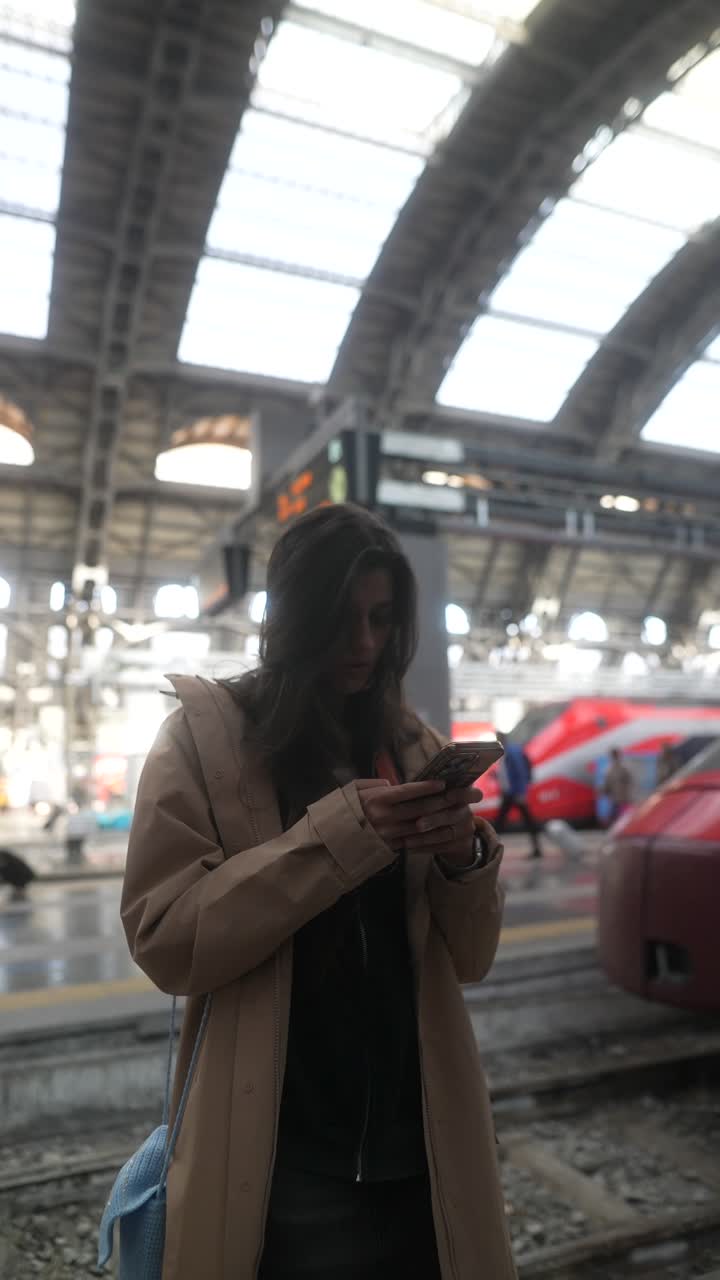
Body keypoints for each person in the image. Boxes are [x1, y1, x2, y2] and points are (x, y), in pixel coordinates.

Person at [120, 503, 517, 1280]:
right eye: (341, 620)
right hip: (286, 1170)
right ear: (293, 618)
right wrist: (334, 840)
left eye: (381, 618)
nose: (364, 645)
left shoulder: (414, 746)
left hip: (425, 1156)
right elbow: (166, 939)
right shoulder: (202, 741)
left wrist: (463, 858)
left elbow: (470, 960)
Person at [493, 734, 543, 859]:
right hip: (509, 793)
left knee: (503, 822)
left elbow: (520, 772)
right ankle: (536, 849)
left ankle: (491, 848)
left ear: (501, 739)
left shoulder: (512, 752)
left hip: (514, 793)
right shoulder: (505, 753)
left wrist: (521, 793)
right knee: (506, 821)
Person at [602, 747, 634, 822]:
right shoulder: (611, 769)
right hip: (617, 799)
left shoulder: (620, 768)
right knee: (618, 818)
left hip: (622, 799)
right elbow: (607, 785)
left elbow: (629, 782)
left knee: (621, 818)